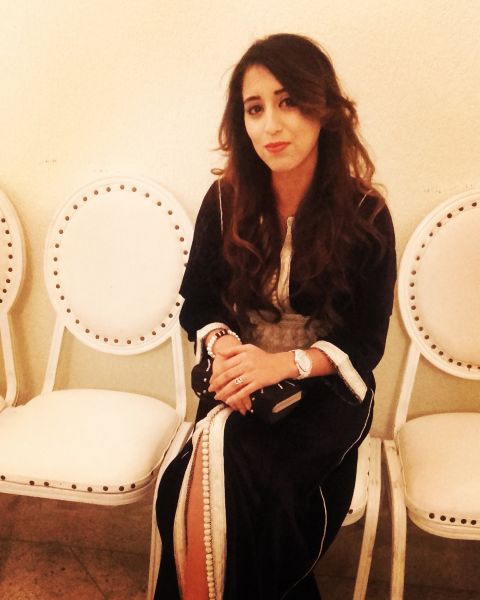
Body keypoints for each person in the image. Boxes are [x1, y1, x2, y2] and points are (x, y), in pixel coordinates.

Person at [155, 33, 396, 600]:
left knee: (260, 486)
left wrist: (284, 364)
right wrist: (227, 352)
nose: (270, 125)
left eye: (288, 102)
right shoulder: (224, 201)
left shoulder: (366, 214)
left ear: (325, 109)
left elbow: (365, 343)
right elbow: (199, 302)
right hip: (241, 380)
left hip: (327, 388)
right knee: (194, 478)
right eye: (255, 108)